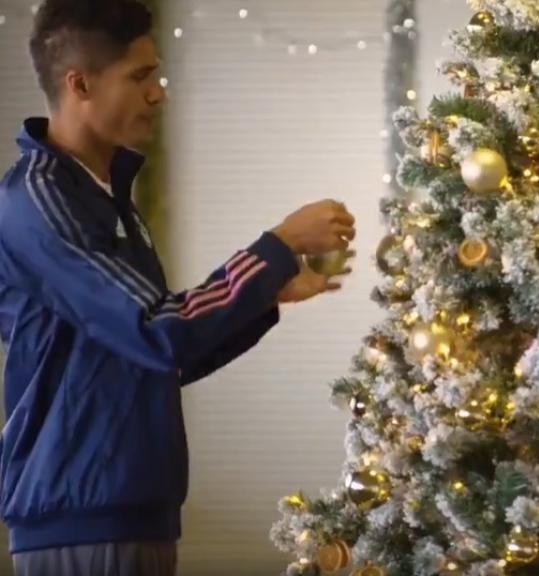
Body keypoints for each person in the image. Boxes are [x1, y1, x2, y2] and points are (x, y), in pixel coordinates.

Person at [0, 0, 356, 574]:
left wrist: (268, 293)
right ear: (80, 84)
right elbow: (157, 330)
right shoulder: (39, 198)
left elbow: (158, 361)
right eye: (139, 76)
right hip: (83, 518)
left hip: (131, 511)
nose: (157, 94)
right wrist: (277, 245)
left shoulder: (104, 196)